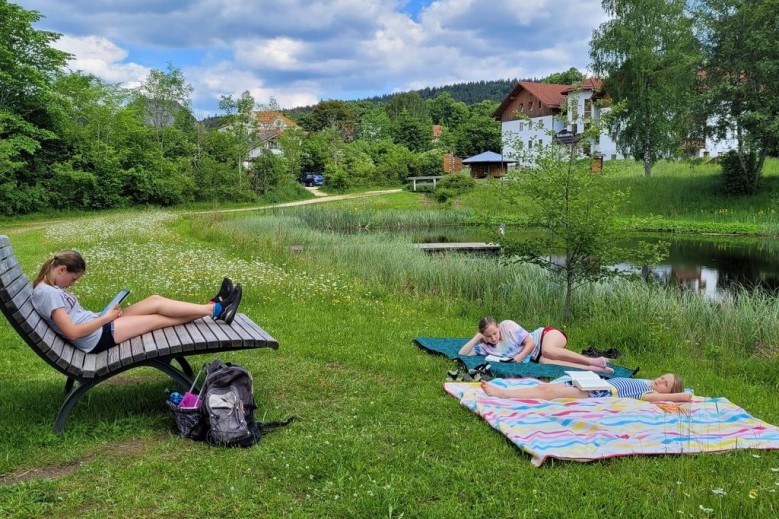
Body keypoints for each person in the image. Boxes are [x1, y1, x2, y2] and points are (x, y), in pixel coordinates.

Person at [31, 250, 242, 354]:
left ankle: (214, 306)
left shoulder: (50, 289)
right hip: (95, 337)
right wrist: (105, 318)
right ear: (62, 270)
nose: (72, 284)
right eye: (73, 279)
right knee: (158, 318)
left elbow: (75, 319)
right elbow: (72, 333)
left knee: (155, 300)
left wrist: (101, 315)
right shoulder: (48, 294)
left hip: (98, 323)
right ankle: (217, 308)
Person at [458, 316, 614, 373]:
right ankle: (592, 368)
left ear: (498, 327)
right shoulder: (484, 346)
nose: (493, 337)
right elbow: (462, 354)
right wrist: (477, 337)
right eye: (488, 336)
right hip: (536, 356)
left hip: (545, 336)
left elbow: (531, 343)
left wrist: (519, 357)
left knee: (547, 351)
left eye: (495, 333)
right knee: (546, 361)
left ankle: (592, 360)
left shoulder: (507, 326)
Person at [480, 373, 692, 403]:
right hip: (596, 384)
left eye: (666, 384)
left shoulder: (650, 394)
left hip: (600, 392)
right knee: (549, 388)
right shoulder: (645, 382)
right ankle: (511, 392)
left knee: (549, 393)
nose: (660, 381)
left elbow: (685, 397)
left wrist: (687, 394)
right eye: (662, 377)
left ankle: (503, 393)